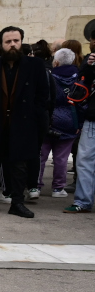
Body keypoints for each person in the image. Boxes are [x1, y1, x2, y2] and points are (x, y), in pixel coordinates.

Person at [0, 27, 51, 218]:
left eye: (16, 40)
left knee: (19, 167)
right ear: (1, 45)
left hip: (23, 125)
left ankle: (17, 203)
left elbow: (43, 97)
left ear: (21, 42)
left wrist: (38, 123)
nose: (13, 44)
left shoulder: (35, 66)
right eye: (8, 41)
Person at [34, 48, 82, 201]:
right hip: (70, 120)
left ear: (56, 62)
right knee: (62, 158)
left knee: (41, 155)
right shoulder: (79, 78)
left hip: (50, 119)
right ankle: (58, 187)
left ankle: (35, 185)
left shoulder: (49, 77)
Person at [65, 49, 95, 214]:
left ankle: (83, 201)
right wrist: (89, 66)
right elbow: (82, 82)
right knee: (84, 161)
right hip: (92, 117)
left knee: (85, 161)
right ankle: (83, 201)